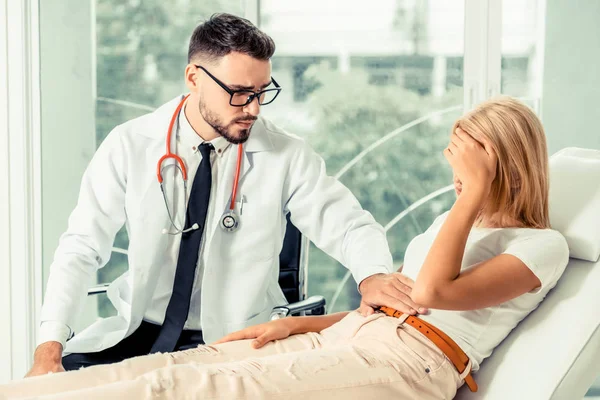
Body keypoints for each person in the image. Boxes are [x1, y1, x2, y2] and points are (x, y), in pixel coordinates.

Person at [2, 96, 569, 399]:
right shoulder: (132, 143)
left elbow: (432, 293)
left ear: (499, 165)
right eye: (453, 157)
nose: (452, 171)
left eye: (462, 160)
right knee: (175, 369)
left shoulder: (543, 247)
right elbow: (395, 304)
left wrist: (471, 198)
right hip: (357, 335)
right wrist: (298, 327)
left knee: (191, 391)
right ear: (194, 79)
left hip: (410, 364)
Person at [26, 13, 424, 377]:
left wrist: (372, 275)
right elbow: (81, 247)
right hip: (138, 334)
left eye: (261, 92)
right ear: (194, 77)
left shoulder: (285, 154)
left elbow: (350, 225)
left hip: (234, 339)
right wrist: (49, 346)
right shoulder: (130, 144)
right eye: (238, 92)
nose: (252, 108)